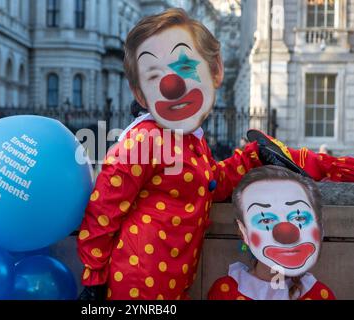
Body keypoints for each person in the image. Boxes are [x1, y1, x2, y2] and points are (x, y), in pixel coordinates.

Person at [77, 8, 354, 300]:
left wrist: (253, 156)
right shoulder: (144, 140)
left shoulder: (189, 141)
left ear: (216, 71)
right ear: (141, 93)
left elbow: (211, 183)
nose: (171, 85)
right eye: (155, 76)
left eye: (184, 67)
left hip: (173, 285)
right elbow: (103, 209)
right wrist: (94, 278)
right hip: (136, 287)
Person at [208, 166, 335, 300]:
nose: (285, 233)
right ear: (243, 231)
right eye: (266, 220)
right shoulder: (226, 292)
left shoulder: (318, 294)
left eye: (299, 218)